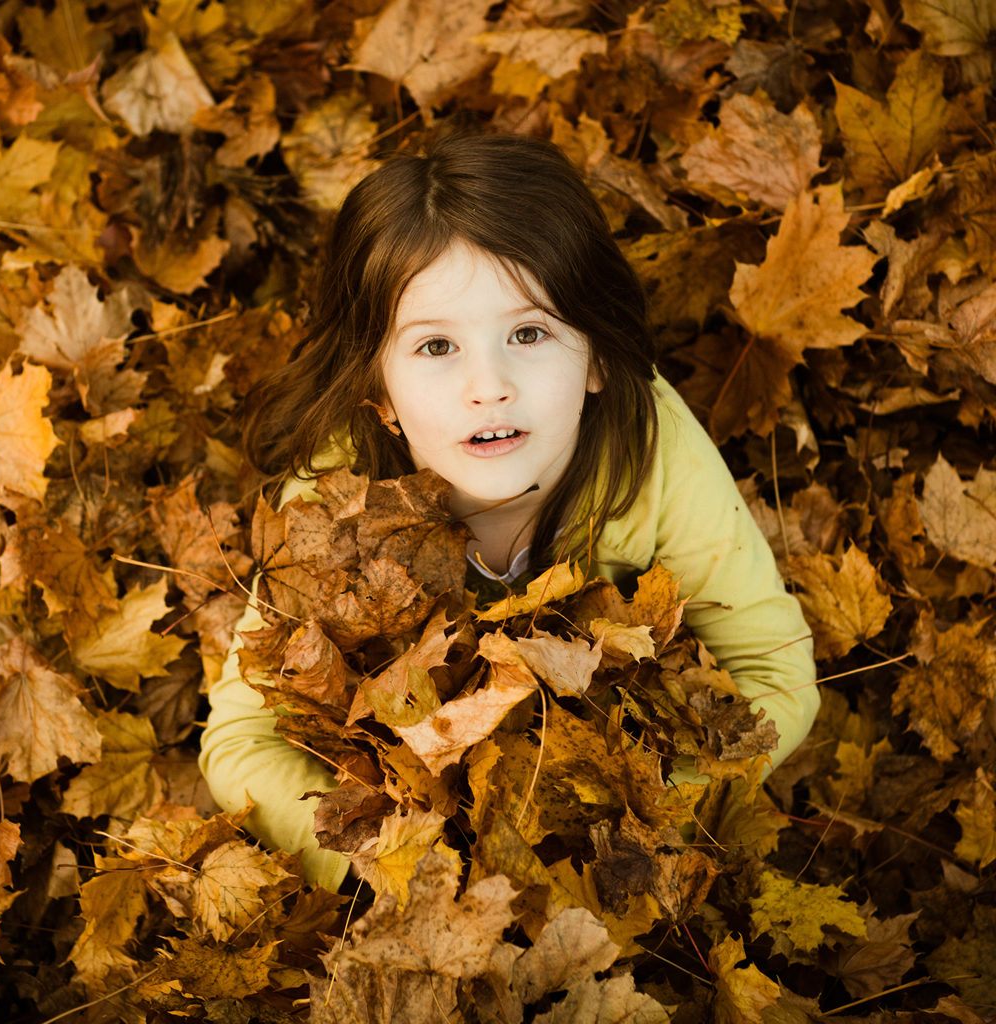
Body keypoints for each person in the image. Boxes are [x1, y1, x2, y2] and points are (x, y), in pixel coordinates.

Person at [199, 131, 819, 890]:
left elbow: (775, 673)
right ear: (379, 387)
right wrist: (401, 866)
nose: (488, 385)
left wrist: (638, 822)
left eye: (528, 333)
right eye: (435, 348)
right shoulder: (338, 497)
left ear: (595, 357)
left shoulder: (648, 451)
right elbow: (238, 742)